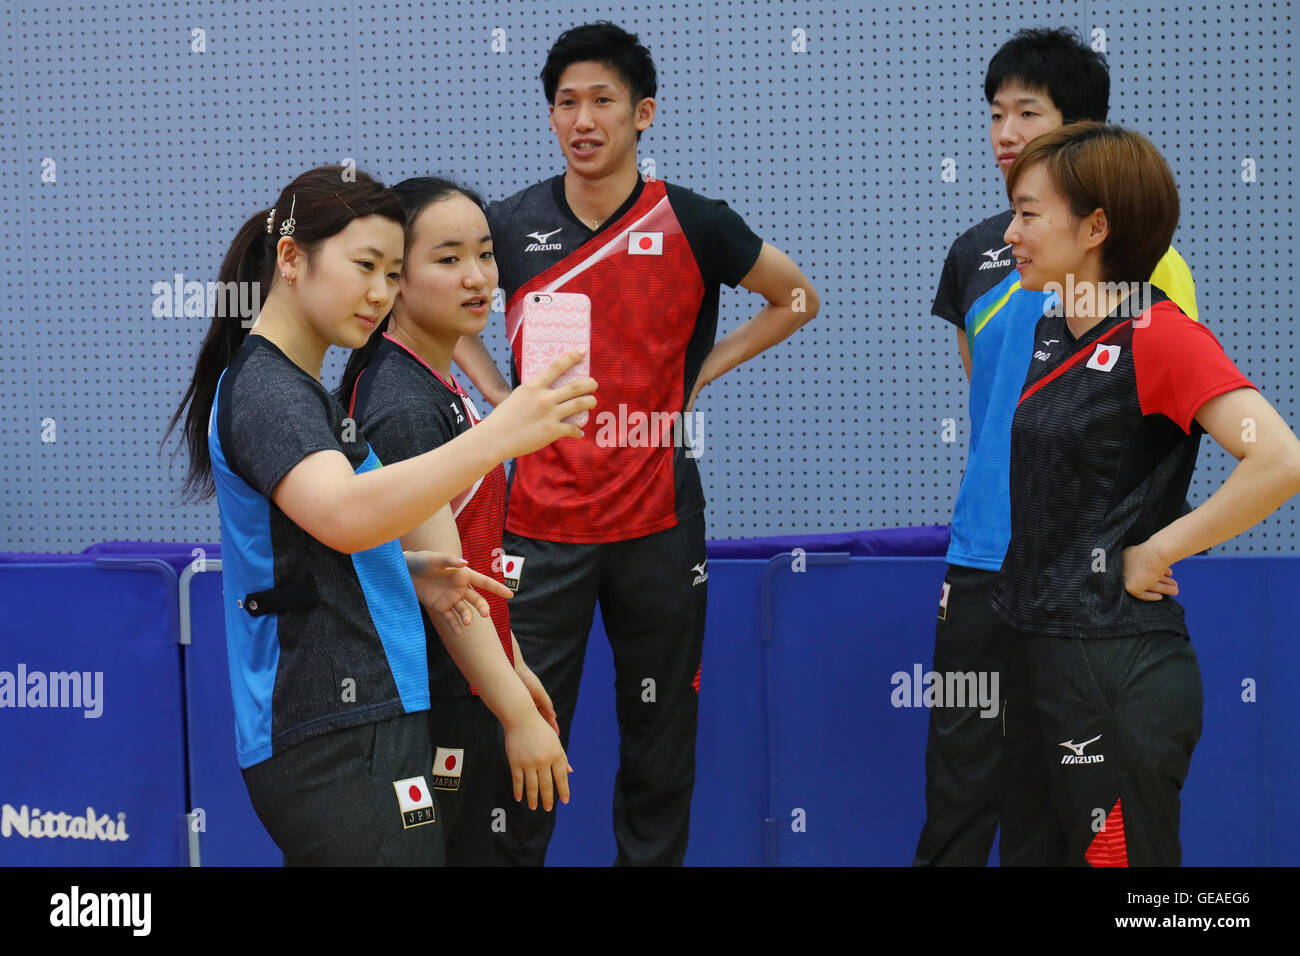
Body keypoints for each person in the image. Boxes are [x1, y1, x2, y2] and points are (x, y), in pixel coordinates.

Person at [451, 21, 820, 865]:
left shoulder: (693, 220)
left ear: (643, 113)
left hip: (659, 528)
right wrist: (497, 395)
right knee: (523, 728)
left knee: (659, 737)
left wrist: (702, 372)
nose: (582, 120)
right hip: (537, 530)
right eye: (565, 103)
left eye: (603, 102)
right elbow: (439, 309)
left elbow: (797, 298)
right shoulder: (507, 225)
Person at [166, 165, 596, 865]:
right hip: (333, 727)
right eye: (366, 265)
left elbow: (333, 537)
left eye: (392, 272)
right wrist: (503, 432)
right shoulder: (269, 391)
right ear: (291, 257)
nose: (378, 292)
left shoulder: (301, 391)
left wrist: (407, 569)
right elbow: (342, 514)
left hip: (365, 719)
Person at [915, 26, 1199, 867]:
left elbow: (1159, 424)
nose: (1004, 133)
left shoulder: (1151, 266)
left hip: (1084, 587)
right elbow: (992, 406)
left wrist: (1150, 542)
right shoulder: (976, 255)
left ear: (1082, 135)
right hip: (980, 568)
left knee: (1070, 812)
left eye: (1026, 113)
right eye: (995, 113)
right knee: (959, 788)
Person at [995, 122, 1300, 865]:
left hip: (1116, 665)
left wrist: (1157, 549)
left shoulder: (1159, 335)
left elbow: (1280, 460)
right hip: (1037, 657)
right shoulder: (1049, 332)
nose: (1011, 232)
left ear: (1095, 226)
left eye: (1030, 214)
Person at [340, 177, 566, 864]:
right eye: (447, 259)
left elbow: (472, 556)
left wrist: (518, 668)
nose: (478, 278)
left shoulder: (432, 381)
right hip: (433, 703)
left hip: (471, 688)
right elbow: (448, 593)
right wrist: (518, 717)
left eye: (486, 254)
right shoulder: (402, 405)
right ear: (394, 280)